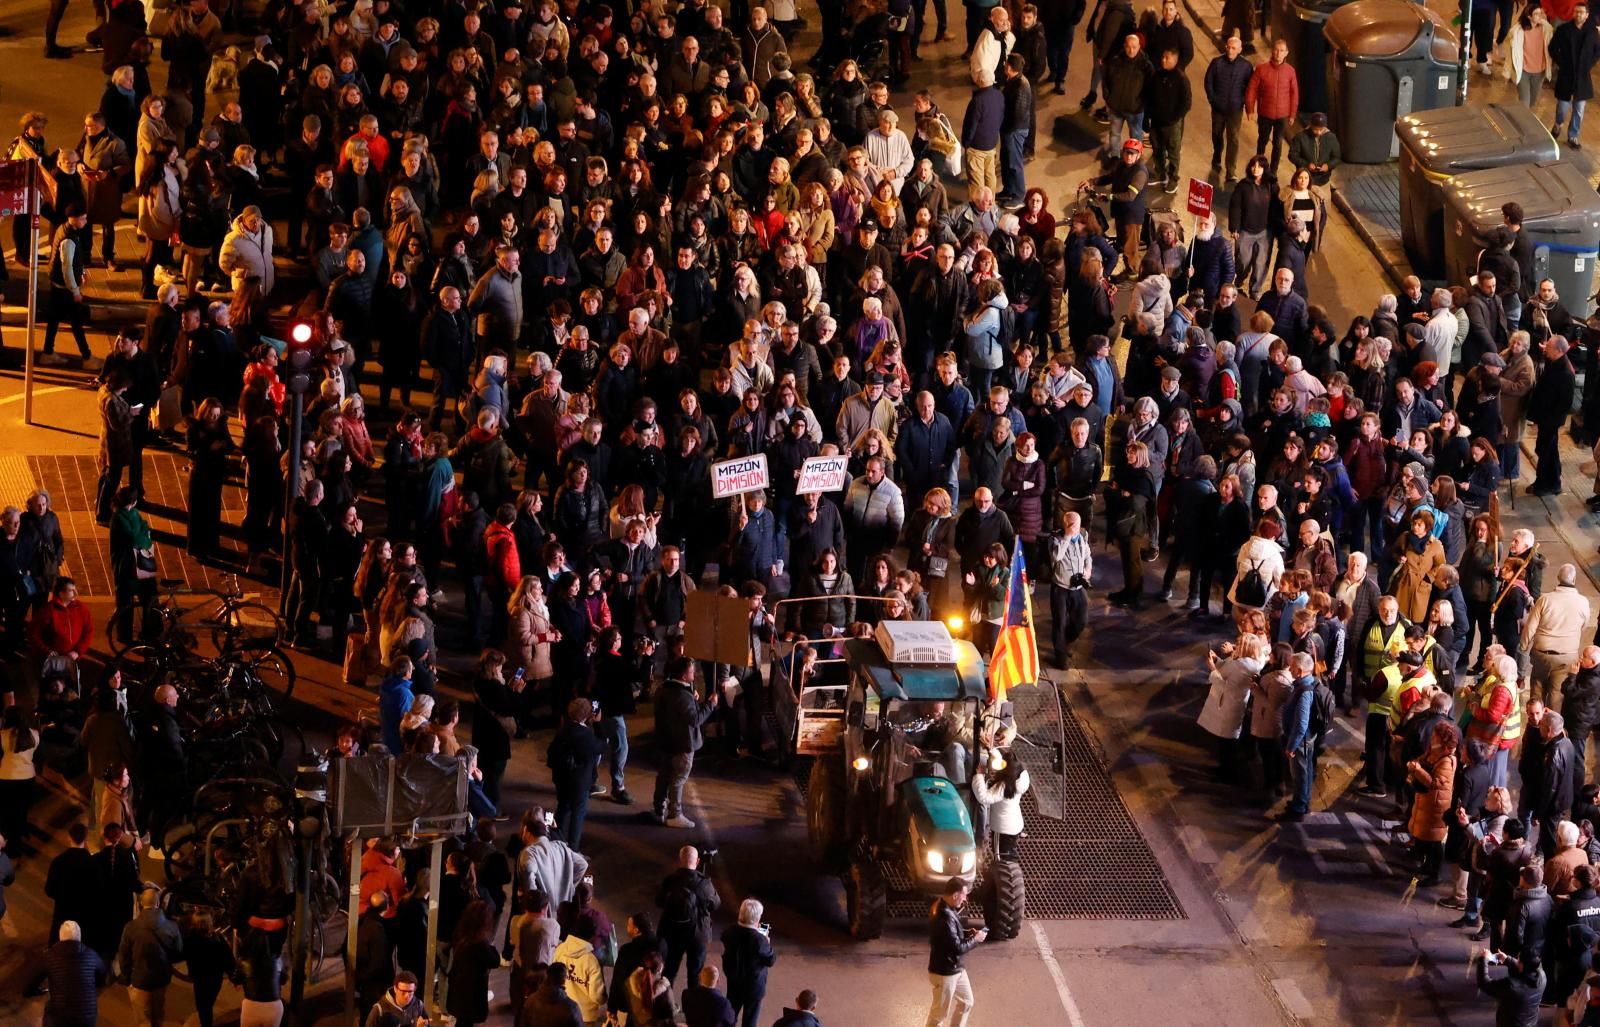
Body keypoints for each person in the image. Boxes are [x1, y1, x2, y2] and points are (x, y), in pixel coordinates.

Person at [653, 655, 719, 829]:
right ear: (683, 675)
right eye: (691, 671)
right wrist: (710, 705)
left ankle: (659, 809)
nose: (695, 674)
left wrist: (692, 697)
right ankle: (675, 814)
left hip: (666, 741)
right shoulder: (681, 695)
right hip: (682, 744)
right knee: (678, 779)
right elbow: (695, 719)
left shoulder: (663, 689)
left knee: (664, 776)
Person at [116, 886, 184, 1027]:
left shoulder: (130, 927)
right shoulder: (172, 926)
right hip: (162, 979)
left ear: (141, 903)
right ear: (158, 903)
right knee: (158, 1015)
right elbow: (178, 953)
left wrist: (127, 977)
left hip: (139, 980)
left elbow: (123, 956)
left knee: (143, 1019)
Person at [657, 844, 722, 988]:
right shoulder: (704, 884)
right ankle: (692, 1005)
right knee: (695, 973)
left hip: (672, 932)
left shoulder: (670, 880)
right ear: (698, 861)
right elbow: (716, 904)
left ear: (680, 860)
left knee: (669, 970)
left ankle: (665, 1002)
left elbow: (659, 901)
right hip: (696, 934)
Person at [547, 696, 606, 851]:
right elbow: (602, 746)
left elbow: (551, 755)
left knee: (562, 807)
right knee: (578, 814)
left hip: (561, 780)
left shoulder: (562, 731)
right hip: (579, 783)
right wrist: (598, 724)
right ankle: (573, 849)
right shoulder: (586, 736)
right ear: (587, 716)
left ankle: (554, 839)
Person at [926, 877, 985, 1027]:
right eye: (964, 895)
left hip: (955, 969)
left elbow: (949, 935)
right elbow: (956, 948)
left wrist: (967, 933)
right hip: (945, 972)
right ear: (955, 895)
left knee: (967, 1002)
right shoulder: (944, 916)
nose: (965, 899)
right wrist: (976, 939)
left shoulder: (945, 908)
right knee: (939, 1014)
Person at [1550, 2, 1600, 148]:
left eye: (1581, 12)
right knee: (1562, 108)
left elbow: (1597, 51)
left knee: (1579, 110)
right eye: (1576, 12)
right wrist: (1561, 63)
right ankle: (1558, 124)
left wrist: (1588, 64)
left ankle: (1573, 136)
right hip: (1566, 74)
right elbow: (1552, 48)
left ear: (1587, 15)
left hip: (1583, 76)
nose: (1578, 14)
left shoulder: (1592, 32)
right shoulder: (1563, 30)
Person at [721, 898, 777, 1027]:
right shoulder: (759, 940)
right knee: (750, 1019)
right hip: (754, 985)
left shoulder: (730, 932)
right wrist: (767, 941)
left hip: (734, 980)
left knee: (730, 1015)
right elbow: (771, 960)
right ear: (757, 918)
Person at [44, 921, 108, 1027]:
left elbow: (32, 979)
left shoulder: (50, 956)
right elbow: (103, 973)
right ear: (80, 937)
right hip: (88, 1019)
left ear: (60, 937)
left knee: (49, 1010)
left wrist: (31, 991)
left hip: (60, 1019)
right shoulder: (92, 955)